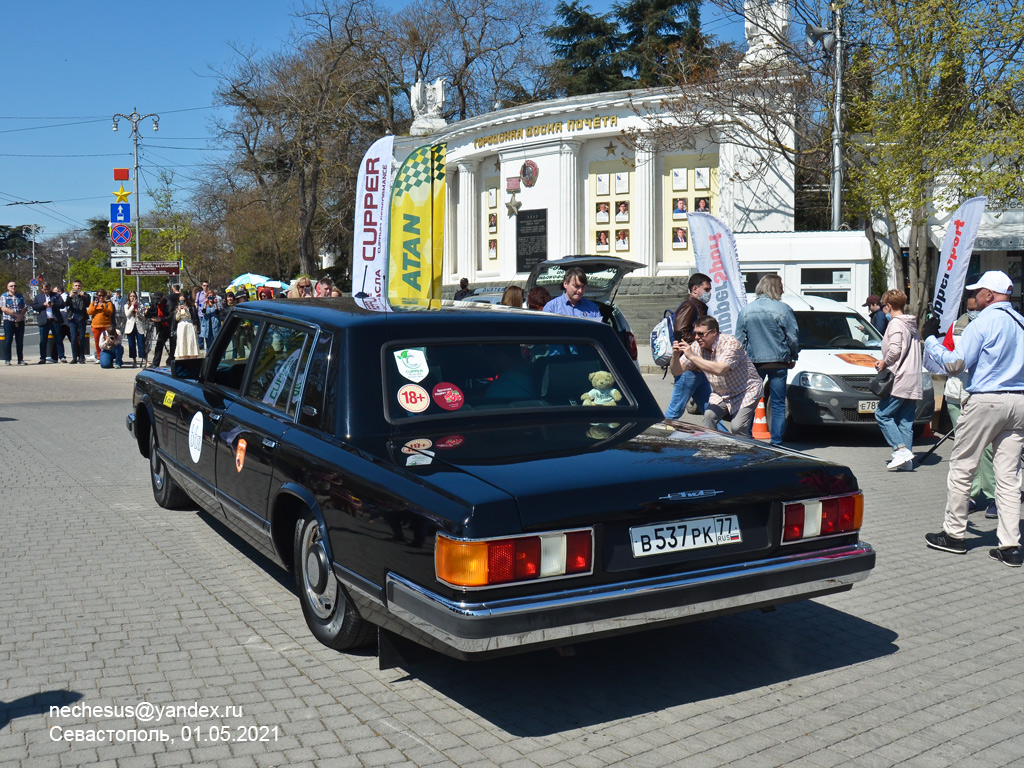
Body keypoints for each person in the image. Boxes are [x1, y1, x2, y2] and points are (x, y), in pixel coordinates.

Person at [923, 271, 1024, 567]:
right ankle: (1010, 545)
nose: (974, 296)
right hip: (1019, 401)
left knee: (963, 465)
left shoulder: (984, 322)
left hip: (986, 399)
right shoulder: (1020, 322)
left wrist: (930, 340)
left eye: (978, 291)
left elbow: (956, 363)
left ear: (990, 295)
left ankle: (953, 535)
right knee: (1009, 476)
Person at [942, 287, 996, 517]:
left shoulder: (994, 324)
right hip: (957, 394)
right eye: (971, 308)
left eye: (978, 308)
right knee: (965, 447)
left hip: (983, 396)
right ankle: (972, 495)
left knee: (989, 450)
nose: (974, 311)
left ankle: (994, 495)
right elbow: (946, 358)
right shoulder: (956, 326)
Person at [670, 316, 763, 436]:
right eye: (695, 334)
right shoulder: (696, 346)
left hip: (746, 390)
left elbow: (721, 369)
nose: (697, 337)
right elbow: (676, 371)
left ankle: (746, 452)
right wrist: (675, 356)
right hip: (722, 392)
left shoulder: (730, 343)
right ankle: (712, 451)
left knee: (737, 426)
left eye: (701, 334)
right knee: (709, 417)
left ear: (714, 332)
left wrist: (692, 357)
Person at [735, 274, 799, 446]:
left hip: (754, 362)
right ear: (775, 288)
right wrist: (793, 355)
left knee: (750, 400)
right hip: (778, 362)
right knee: (778, 403)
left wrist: (740, 362)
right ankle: (777, 442)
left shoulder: (747, 310)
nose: (783, 290)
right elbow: (792, 337)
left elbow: (739, 339)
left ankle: (746, 437)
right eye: (781, 286)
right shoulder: (783, 309)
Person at [874, 289, 922, 471]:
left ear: (888, 306)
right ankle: (907, 462)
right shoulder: (911, 324)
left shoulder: (895, 324)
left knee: (882, 414)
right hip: (914, 377)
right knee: (905, 421)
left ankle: (900, 450)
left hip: (901, 377)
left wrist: (884, 362)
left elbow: (894, 350)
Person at [664, 272, 713, 420]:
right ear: (695, 289)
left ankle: (725, 439)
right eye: (706, 289)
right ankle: (660, 439)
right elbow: (680, 333)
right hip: (688, 368)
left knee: (711, 412)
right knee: (674, 413)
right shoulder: (689, 306)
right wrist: (702, 342)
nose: (709, 293)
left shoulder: (700, 307)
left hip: (698, 367)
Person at [32, 283, 66, 363]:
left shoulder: (56, 295)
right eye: (44, 289)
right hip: (44, 321)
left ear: (50, 288)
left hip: (54, 320)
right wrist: (43, 305)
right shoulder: (38, 297)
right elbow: (34, 306)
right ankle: (42, 358)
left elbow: (62, 305)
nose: (46, 291)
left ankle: (61, 356)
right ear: (42, 289)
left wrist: (54, 305)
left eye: (47, 289)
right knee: (43, 340)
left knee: (58, 339)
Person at [64, 280, 91, 364]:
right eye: (75, 285)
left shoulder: (86, 295)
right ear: (73, 287)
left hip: (82, 318)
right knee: (73, 338)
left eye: (79, 286)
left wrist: (83, 297)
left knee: (82, 338)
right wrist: (69, 296)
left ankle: (82, 357)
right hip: (73, 318)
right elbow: (66, 304)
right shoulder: (70, 295)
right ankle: (74, 357)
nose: (77, 287)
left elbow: (88, 304)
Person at [1, 280, 28, 365]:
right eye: (11, 286)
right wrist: (16, 315)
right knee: (8, 340)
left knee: (19, 341)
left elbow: (25, 307)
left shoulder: (20, 296)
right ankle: (7, 359)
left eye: (15, 286)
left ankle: (20, 359)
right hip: (9, 320)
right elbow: (3, 308)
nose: (13, 287)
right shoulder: (4, 296)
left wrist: (20, 315)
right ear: (8, 287)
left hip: (20, 321)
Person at [144, 292, 172, 367]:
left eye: (158, 299)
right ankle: (155, 363)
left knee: (173, 346)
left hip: (170, 327)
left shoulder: (168, 304)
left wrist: (161, 319)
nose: (156, 300)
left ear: (162, 298)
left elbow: (171, 316)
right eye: (155, 299)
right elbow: (151, 313)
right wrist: (147, 313)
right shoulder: (155, 305)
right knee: (159, 345)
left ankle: (170, 361)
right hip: (162, 328)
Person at [87, 289, 115, 362]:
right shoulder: (93, 303)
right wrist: (95, 306)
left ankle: (108, 357)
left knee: (107, 342)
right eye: (99, 296)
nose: (101, 297)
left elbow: (110, 312)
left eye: (102, 296)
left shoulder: (108, 304)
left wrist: (102, 307)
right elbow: (89, 312)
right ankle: (99, 357)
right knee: (97, 343)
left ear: (105, 296)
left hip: (106, 326)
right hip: (95, 326)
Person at [123, 290, 146, 367]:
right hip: (130, 327)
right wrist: (132, 306)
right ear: (129, 297)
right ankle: (134, 360)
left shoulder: (140, 305)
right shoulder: (126, 306)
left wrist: (138, 313)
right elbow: (127, 314)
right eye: (131, 296)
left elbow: (143, 318)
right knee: (131, 344)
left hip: (139, 326)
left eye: (134, 296)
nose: (133, 298)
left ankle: (145, 360)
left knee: (141, 344)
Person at [174, 293, 201, 358]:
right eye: (180, 301)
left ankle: (193, 360)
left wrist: (187, 310)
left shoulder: (191, 307)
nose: (182, 302)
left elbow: (193, 317)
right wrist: (179, 311)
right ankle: (185, 359)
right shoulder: (176, 308)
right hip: (181, 326)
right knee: (183, 344)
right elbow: (176, 319)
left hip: (189, 326)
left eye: (184, 301)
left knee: (191, 342)